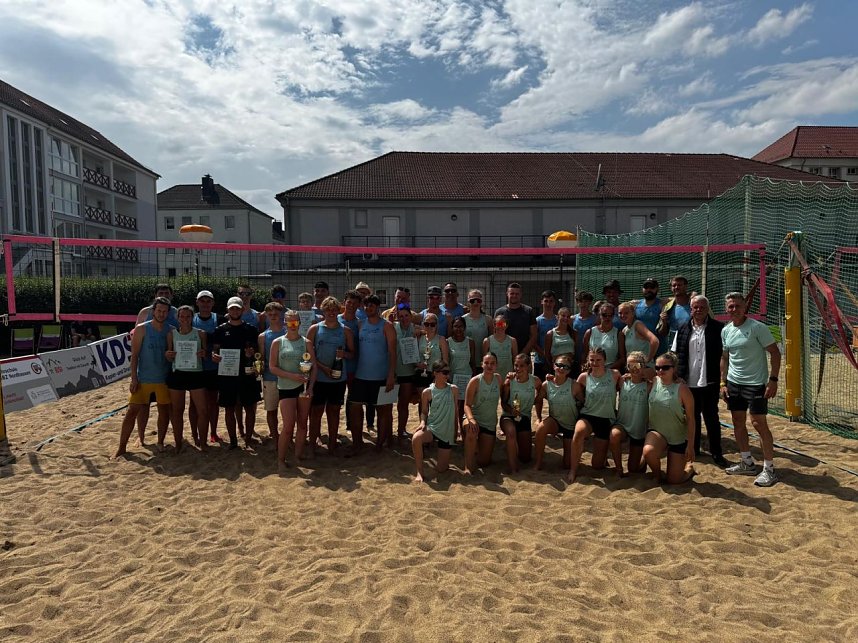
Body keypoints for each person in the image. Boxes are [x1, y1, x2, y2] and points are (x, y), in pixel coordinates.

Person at [720, 292, 781, 486]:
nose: (734, 310)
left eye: (737, 306)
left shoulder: (757, 328)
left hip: (756, 384)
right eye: (731, 306)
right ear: (726, 309)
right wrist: (723, 383)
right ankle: (747, 462)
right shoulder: (726, 330)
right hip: (733, 383)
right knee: (738, 421)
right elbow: (724, 357)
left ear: (745, 307)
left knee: (758, 424)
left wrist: (773, 380)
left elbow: (775, 353)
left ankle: (769, 469)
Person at [114, 297, 172, 458]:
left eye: (164, 311)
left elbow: (173, 356)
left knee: (164, 412)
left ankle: (160, 442)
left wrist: (171, 356)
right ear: (153, 311)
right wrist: (134, 378)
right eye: (159, 310)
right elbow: (135, 356)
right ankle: (122, 447)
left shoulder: (171, 330)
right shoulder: (141, 329)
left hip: (163, 379)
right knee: (131, 411)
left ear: (168, 313)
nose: (161, 314)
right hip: (144, 378)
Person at [673, 295, 727, 466]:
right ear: (691, 309)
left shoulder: (719, 328)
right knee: (692, 416)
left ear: (707, 309)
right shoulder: (682, 328)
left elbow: (725, 355)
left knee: (711, 417)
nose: (699, 310)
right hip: (689, 381)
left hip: (710, 380)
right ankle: (693, 448)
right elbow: (675, 354)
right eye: (695, 307)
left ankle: (716, 452)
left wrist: (722, 380)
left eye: (702, 307)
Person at [346, 294, 396, 453]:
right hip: (361, 375)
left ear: (378, 308)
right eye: (366, 306)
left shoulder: (386, 326)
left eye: (372, 306)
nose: (368, 308)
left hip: (381, 376)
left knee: (384, 411)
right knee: (354, 407)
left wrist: (391, 375)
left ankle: (380, 444)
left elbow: (393, 353)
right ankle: (357, 442)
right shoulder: (360, 324)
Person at [211, 296, 261, 450]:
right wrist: (214, 356)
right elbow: (215, 350)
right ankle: (233, 441)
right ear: (227, 310)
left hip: (247, 373)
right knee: (229, 408)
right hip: (227, 374)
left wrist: (251, 353)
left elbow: (257, 353)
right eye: (232, 308)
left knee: (249, 406)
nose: (234, 310)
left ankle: (248, 438)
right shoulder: (220, 330)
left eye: (237, 308)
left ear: (242, 309)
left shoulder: (251, 329)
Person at [307, 296, 354, 455]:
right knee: (316, 412)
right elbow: (308, 355)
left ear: (338, 310)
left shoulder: (345, 330)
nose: (331, 312)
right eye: (328, 309)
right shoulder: (315, 329)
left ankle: (333, 444)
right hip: (319, 378)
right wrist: (323, 368)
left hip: (337, 379)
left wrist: (344, 354)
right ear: (323, 310)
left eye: (334, 310)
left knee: (334, 412)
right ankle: (312, 445)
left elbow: (353, 354)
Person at [567, 347, 621, 483]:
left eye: (598, 360)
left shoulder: (614, 375)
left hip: (605, 419)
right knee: (579, 432)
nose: (595, 363)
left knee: (597, 466)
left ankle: (603, 456)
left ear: (605, 360)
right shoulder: (584, 377)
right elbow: (573, 391)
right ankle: (573, 470)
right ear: (588, 361)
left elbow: (629, 385)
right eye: (592, 360)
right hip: (588, 415)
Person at [643, 351, 696, 484]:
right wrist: (626, 376)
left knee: (674, 481)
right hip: (657, 431)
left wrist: (690, 445)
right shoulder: (654, 381)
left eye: (665, 367)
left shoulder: (682, 389)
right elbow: (636, 373)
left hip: (677, 436)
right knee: (648, 451)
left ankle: (689, 468)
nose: (661, 370)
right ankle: (658, 475)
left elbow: (691, 419)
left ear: (674, 369)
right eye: (658, 368)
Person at [270, 310, 312, 467]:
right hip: (286, 387)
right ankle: (281, 460)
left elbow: (312, 367)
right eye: (289, 322)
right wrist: (292, 376)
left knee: (302, 424)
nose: (293, 325)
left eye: (295, 322)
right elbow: (272, 367)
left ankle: (298, 456)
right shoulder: (278, 342)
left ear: (299, 323)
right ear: (285, 324)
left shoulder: (306, 343)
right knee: (288, 426)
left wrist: (311, 387)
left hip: (304, 387)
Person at [165, 305, 208, 453]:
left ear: (192, 317)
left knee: (202, 410)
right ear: (177, 318)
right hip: (178, 374)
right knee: (177, 410)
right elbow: (169, 355)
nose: (185, 319)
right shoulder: (171, 334)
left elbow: (205, 353)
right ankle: (178, 443)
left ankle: (202, 442)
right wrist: (168, 355)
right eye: (182, 316)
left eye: (188, 316)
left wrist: (203, 353)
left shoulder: (201, 334)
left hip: (196, 373)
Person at [411, 360, 461, 483]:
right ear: (435, 373)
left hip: (447, 431)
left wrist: (456, 429)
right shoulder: (427, 392)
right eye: (444, 372)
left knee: (441, 469)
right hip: (433, 427)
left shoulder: (453, 389)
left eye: (448, 372)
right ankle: (420, 472)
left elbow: (456, 411)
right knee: (416, 438)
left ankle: (443, 461)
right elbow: (424, 412)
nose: (447, 375)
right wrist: (422, 422)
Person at [533, 352, 581, 471]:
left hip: (571, 425)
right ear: (554, 366)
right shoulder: (546, 384)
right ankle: (538, 462)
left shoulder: (574, 385)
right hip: (555, 421)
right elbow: (537, 400)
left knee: (567, 465)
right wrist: (538, 417)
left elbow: (584, 404)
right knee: (540, 429)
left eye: (565, 367)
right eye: (559, 365)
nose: (561, 368)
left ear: (569, 371)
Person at [610, 351, 651, 476]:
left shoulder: (649, 385)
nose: (633, 369)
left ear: (643, 366)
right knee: (614, 435)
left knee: (634, 469)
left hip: (638, 429)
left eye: (637, 366)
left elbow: (660, 377)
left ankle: (644, 458)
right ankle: (619, 469)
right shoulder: (622, 381)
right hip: (622, 424)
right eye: (630, 366)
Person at [500, 353, 542, 472]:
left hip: (524, 417)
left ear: (529, 366)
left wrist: (538, 416)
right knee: (511, 432)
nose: (518, 369)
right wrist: (512, 411)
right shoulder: (509, 381)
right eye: (516, 365)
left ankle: (514, 444)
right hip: (508, 416)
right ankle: (513, 468)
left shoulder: (535, 381)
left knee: (525, 458)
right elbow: (503, 403)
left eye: (522, 366)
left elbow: (540, 397)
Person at [191, 290, 221, 443]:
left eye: (208, 301)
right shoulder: (191, 319)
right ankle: (194, 434)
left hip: (213, 368)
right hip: (195, 368)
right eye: (202, 301)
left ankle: (213, 432)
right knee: (193, 404)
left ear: (213, 303)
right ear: (197, 302)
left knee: (212, 402)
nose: (205, 304)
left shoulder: (219, 319)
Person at [463, 352, 502, 471]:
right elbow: (466, 405)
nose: (489, 366)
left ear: (496, 365)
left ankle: (477, 446)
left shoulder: (499, 379)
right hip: (474, 418)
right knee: (471, 430)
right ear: (482, 364)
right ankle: (468, 467)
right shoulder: (475, 381)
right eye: (486, 363)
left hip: (489, 423)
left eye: (492, 363)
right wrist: (471, 419)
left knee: (484, 462)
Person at [258, 302, 286, 443]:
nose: (273, 316)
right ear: (266, 316)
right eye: (270, 314)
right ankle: (275, 436)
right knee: (271, 409)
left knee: (289, 411)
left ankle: (287, 437)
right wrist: (258, 367)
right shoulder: (263, 336)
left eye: (276, 314)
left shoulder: (289, 331)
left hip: (288, 377)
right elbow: (261, 358)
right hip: (270, 377)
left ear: (281, 314)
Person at [394, 303, 420, 440]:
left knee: (403, 404)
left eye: (406, 315)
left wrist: (420, 333)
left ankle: (401, 430)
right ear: (397, 317)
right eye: (401, 316)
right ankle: (388, 431)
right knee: (386, 404)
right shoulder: (393, 327)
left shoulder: (415, 329)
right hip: (394, 372)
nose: (404, 318)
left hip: (408, 372)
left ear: (410, 316)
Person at [494, 281, 537, 358]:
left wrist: (523, 354)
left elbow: (533, 335)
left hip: (524, 357)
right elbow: (497, 333)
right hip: (504, 355)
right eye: (512, 293)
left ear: (521, 295)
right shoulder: (500, 312)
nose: (514, 296)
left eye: (517, 294)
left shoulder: (528, 311)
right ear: (507, 294)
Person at [447, 316, 476, 418]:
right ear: (452, 327)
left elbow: (472, 362)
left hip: (466, 378)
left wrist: (474, 377)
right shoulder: (448, 342)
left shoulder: (470, 342)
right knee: (454, 406)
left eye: (461, 326)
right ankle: (455, 429)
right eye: (455, 326)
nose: (458, 329)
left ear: (464, 327)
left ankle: (464, 429)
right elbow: (447, 361)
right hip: (453, 378)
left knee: (465, 406)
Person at [583, 302, 624, 370]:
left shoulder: (619, 334)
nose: (607, 317)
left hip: (610, 371)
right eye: (604, 315)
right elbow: (584, 355)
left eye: (610, 315)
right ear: (599, 315)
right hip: (592, 371)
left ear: (613, 316)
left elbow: (622, 359)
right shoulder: (589, 332)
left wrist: (606, 370)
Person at [618, 302, 659, 366]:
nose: (622, 315)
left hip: (645, 369)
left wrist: (648, 360)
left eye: (626, 313)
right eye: (620, 313)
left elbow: (655, 341)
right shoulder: (624, 330)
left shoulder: (638, 325)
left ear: (633, 313)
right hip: (634, 368)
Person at [416, 312, 450, 388]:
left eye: (432, 324)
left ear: (436, 325)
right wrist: (418, 364)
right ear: (423, 325)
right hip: (421, 373)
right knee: (423, 398)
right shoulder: (419, 338)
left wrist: (440, 375)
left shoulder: (441, 339)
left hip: (436, 375)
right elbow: (414, 357)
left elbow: (445, 361)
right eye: (426, 324)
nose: (429, 326)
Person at [634, 277, 666, 355]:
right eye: (646, 287)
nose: (649, 290)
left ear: (657, 289)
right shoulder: (635, 305)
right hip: (640, 350)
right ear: (642, 289)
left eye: (652, 287)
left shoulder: (662, 304)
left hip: (659, 350)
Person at [658, 275, 693, 343]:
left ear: (685, 286)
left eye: (679, 285)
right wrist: (664, 322)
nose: (676, 287)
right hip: (673, 348)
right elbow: (662, 333)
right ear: (671, 288)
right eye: (674, 285)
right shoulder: (667, 307)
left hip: (693, 345)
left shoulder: (695, 305)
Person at [544, 306, 576, 375]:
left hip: (570, 368)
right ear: (558, 317)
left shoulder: (573, 333)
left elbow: (575, 351)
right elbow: (547, 354)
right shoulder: (550, 334)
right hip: (557, 369)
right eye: (563, 316)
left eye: (568, 316)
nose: (565, 318)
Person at [534, 290, 558, 380]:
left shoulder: (558, 320)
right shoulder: (537, 321)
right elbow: (534, 342)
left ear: (554, 303)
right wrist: (545, 355)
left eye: (551, 301)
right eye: (546, 301)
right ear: (541, 302)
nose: (548, 304)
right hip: (540, 361)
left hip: (556, 361)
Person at [484, 313, 517, 379]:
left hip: (508, 377)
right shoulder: (487, 341)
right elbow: (485, 362)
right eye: (498, 324)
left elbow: (515, 360)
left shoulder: (512, 341)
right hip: (493, 377)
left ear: (506, 326)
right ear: (494, 325)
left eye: (503, 324)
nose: (500, 326)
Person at [463, 289, 493, 359]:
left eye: (478, 300)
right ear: (468, 302)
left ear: (481, 302)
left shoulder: (488, 320)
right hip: (467, 359)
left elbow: (492, 340)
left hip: (484, 359)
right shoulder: (463, 319)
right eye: (472, 300)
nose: (475, 302)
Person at [572, 291, 596, 365]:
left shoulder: (595, 319)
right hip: (575, 353)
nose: (583, 304)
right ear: (577, 302)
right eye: (581, 301)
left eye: (586, 301)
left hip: (590, 354)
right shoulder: (572, 319)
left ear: (590, 303)